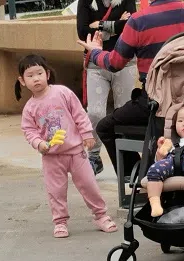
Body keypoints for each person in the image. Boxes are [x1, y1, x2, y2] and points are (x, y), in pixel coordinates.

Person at [76, 0, 184, 178]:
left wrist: (94, 50)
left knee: (106, 126)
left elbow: (115, 63)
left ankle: (136, 179)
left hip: (155, 102)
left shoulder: (138, 21)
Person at [16, 54, 118, 238]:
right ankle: (60, 221)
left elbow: (79, 114)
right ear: (22, 81)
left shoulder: (62, 92)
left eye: (39, 73)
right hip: (52, 157)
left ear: (47, 74)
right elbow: (29, 131)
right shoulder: (29, 108)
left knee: (89, 184)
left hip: (76, 152)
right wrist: (40, 144)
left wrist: (87, 134)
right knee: (56, 191)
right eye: (30, 75)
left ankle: (101, 215)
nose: (36, 78)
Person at [77, 0, 139, 175]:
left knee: (123, 112)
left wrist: (100, 26)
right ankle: (94, 156)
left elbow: (132, 26)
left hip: (124, 61)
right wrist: (117, 25)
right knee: (94, 112)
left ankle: (125, 159)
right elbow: (83, 31)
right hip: (95, 63)